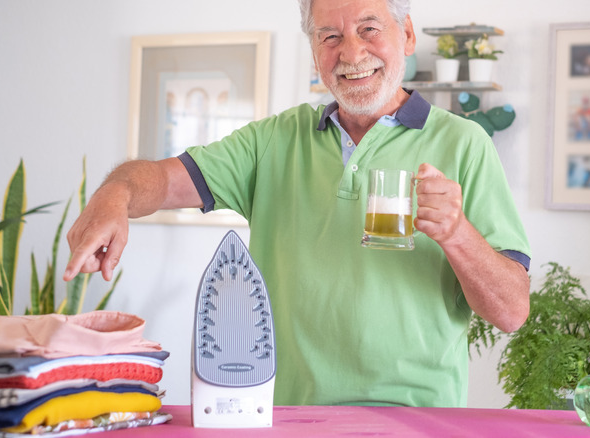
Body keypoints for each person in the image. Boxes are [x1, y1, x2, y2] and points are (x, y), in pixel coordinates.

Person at [63, 0, 531, 408]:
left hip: (417, 418)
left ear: (405, 34)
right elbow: (162, 182)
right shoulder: (274, 140)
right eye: (330, 36)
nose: (351, 53)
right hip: (287, 417)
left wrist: (456, 233)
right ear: (314, 51)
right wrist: (115, 194)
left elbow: (511, 312)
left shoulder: (466, 143)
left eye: (369, 29)